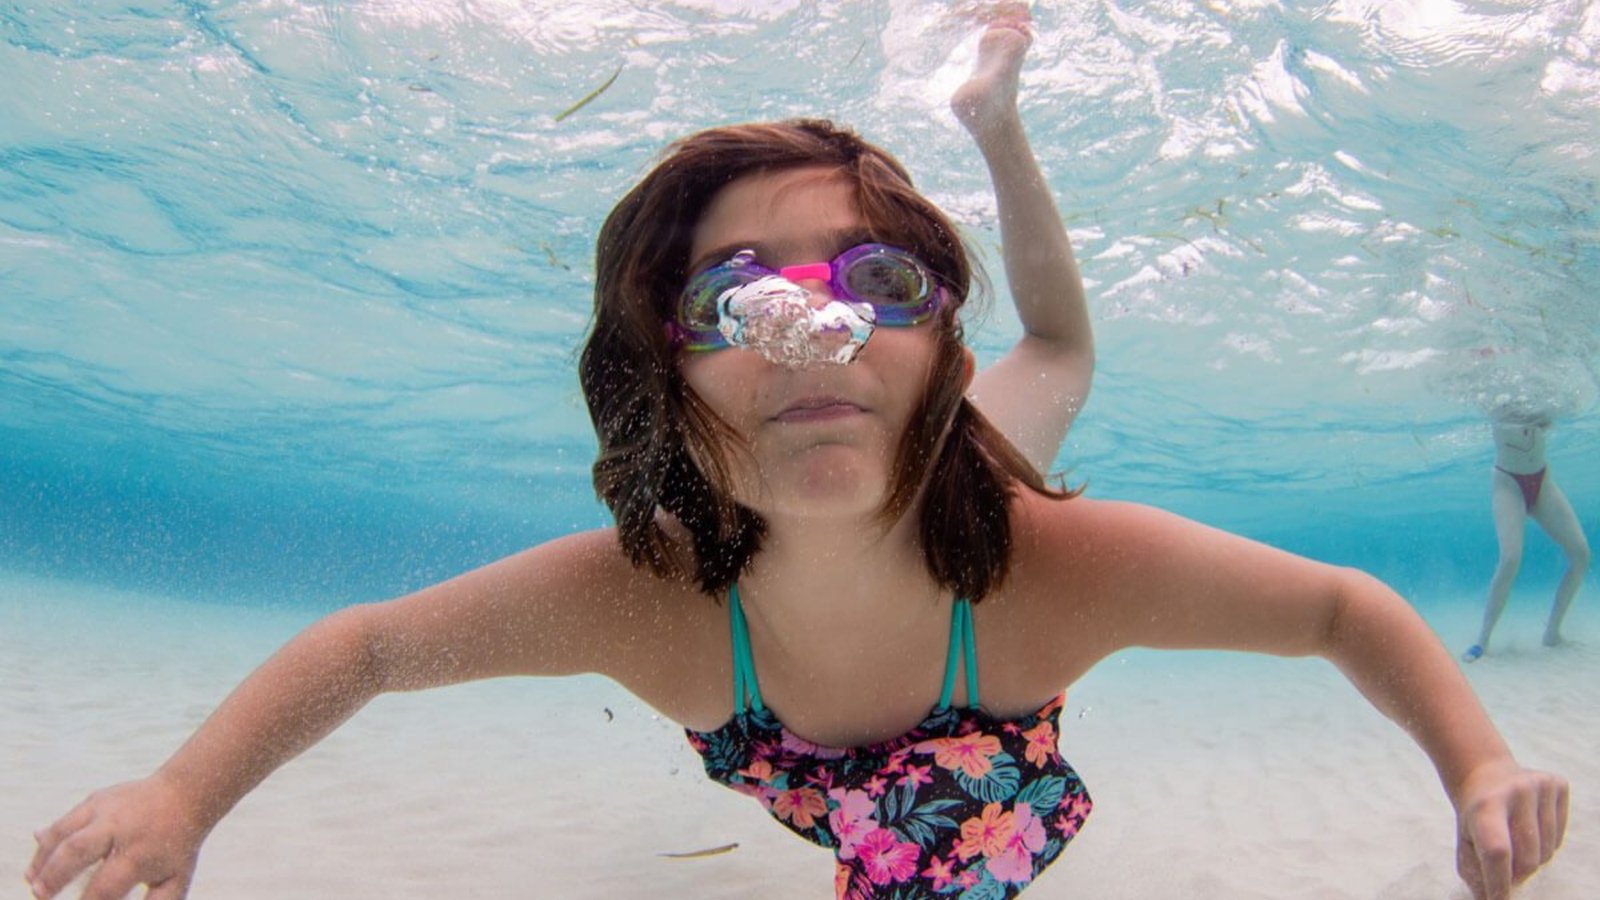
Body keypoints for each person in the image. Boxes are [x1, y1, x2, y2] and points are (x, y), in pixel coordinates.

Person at [28, 14, 1565, 900]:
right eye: (738, 298)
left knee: (1062, 374)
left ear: (938, 351)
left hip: (980, 576)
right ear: (657, 383)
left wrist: (1479, 760)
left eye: (879, 287)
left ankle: (995, 131)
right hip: (792, 695)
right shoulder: (646, 600)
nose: (811, 338)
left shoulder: (1056, 561)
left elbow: (1344, 610)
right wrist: (184, 797)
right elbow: (366, 648)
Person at [1462, 414, 1590, 662]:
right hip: (1508, 482)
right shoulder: (1498, 396)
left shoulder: (1540, 391)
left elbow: (1554, 416)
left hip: (1543, 480)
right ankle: (1482, 641)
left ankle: (1552, 633)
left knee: (1581, 555)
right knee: (1510, 559)